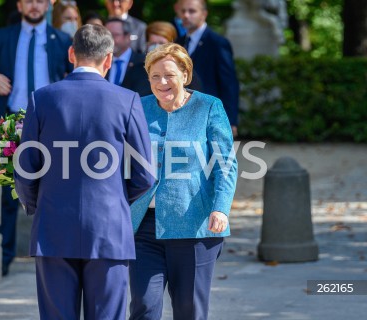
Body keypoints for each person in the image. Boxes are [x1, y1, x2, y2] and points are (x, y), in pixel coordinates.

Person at [14, 24, 154, 320]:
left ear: (70, 54)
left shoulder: (42, 98)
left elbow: (25, 170)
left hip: (53, 225)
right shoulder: (127, 100)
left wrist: (41, 204)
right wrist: (115, 198)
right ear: (108, 59)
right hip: (109, 229)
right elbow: (145, 176)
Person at [129, 43, 237, 320]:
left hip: (194, 226)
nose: (162, 82)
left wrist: (221, 208)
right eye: (155, 76)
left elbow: (225, 163)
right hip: (143, 226)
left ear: (185, 75)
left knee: (189, 310)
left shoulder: (208, 106)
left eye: (169, 75)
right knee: (143, 305)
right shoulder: (137, 108)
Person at [0, 0, 71, 277]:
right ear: (20, 4)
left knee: (56, 191)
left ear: (49, 4)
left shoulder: (61, 39)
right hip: (8, 124)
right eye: (29, 1)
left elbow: (75, 76)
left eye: (40, 1)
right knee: (4, 195)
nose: (34, 6)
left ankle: (56, 257)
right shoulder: (5, 35)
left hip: (52, 127)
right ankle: (3, 258)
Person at [177, 0, 239, 137]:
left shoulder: (218, 43)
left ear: (203, 14)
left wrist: (231, 120)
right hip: (181, 114)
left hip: (209, 114)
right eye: (183, 11)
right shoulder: (177, 43)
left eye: (192, 11)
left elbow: (229, 84)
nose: (186, 15)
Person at [146, 21, 203, 91]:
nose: (156, 47)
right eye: (152, 43)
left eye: (161, 43)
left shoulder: (184, 71)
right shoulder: (136, 71)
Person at [105, 18, 151, 96]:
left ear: (127, 37)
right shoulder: (99, 62)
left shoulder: (143, 63)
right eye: (106, 36)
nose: (109, 40)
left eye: (114, 35)